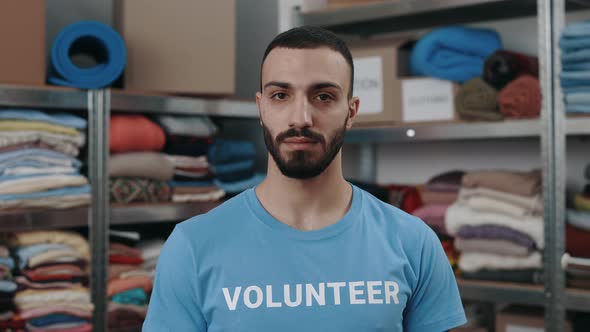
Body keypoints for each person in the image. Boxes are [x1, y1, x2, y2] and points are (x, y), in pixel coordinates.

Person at [143, 26, 466, 331]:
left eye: (323, 96)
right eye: (281, 95)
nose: (301, 118)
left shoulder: (413, 242)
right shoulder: (192, 247)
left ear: (351, 112)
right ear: (261, 108)